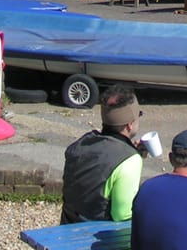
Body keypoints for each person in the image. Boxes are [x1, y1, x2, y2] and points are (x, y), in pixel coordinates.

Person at [61, 85, 144, 224]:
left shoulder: (82, 143)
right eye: (139, 115)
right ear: (130, 124)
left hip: (68, 224)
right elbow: (122, 215)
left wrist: (132, 151)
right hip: (95, 236)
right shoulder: (130, 160)